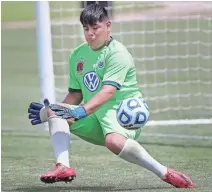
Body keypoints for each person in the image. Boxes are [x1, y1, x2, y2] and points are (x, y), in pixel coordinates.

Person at [28, 4, 194, 188]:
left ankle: (164, 172)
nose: (90, 33)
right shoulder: (77, 55)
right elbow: (76, 93)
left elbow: (108, 91)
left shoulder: (118, 53)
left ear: (108, 25)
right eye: (86, 28)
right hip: (93, 115)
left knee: (113, 141)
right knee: (56, 111)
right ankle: (63, 167)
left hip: (120, 116)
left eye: (95, 27)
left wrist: (81, 112)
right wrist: (53, 112)